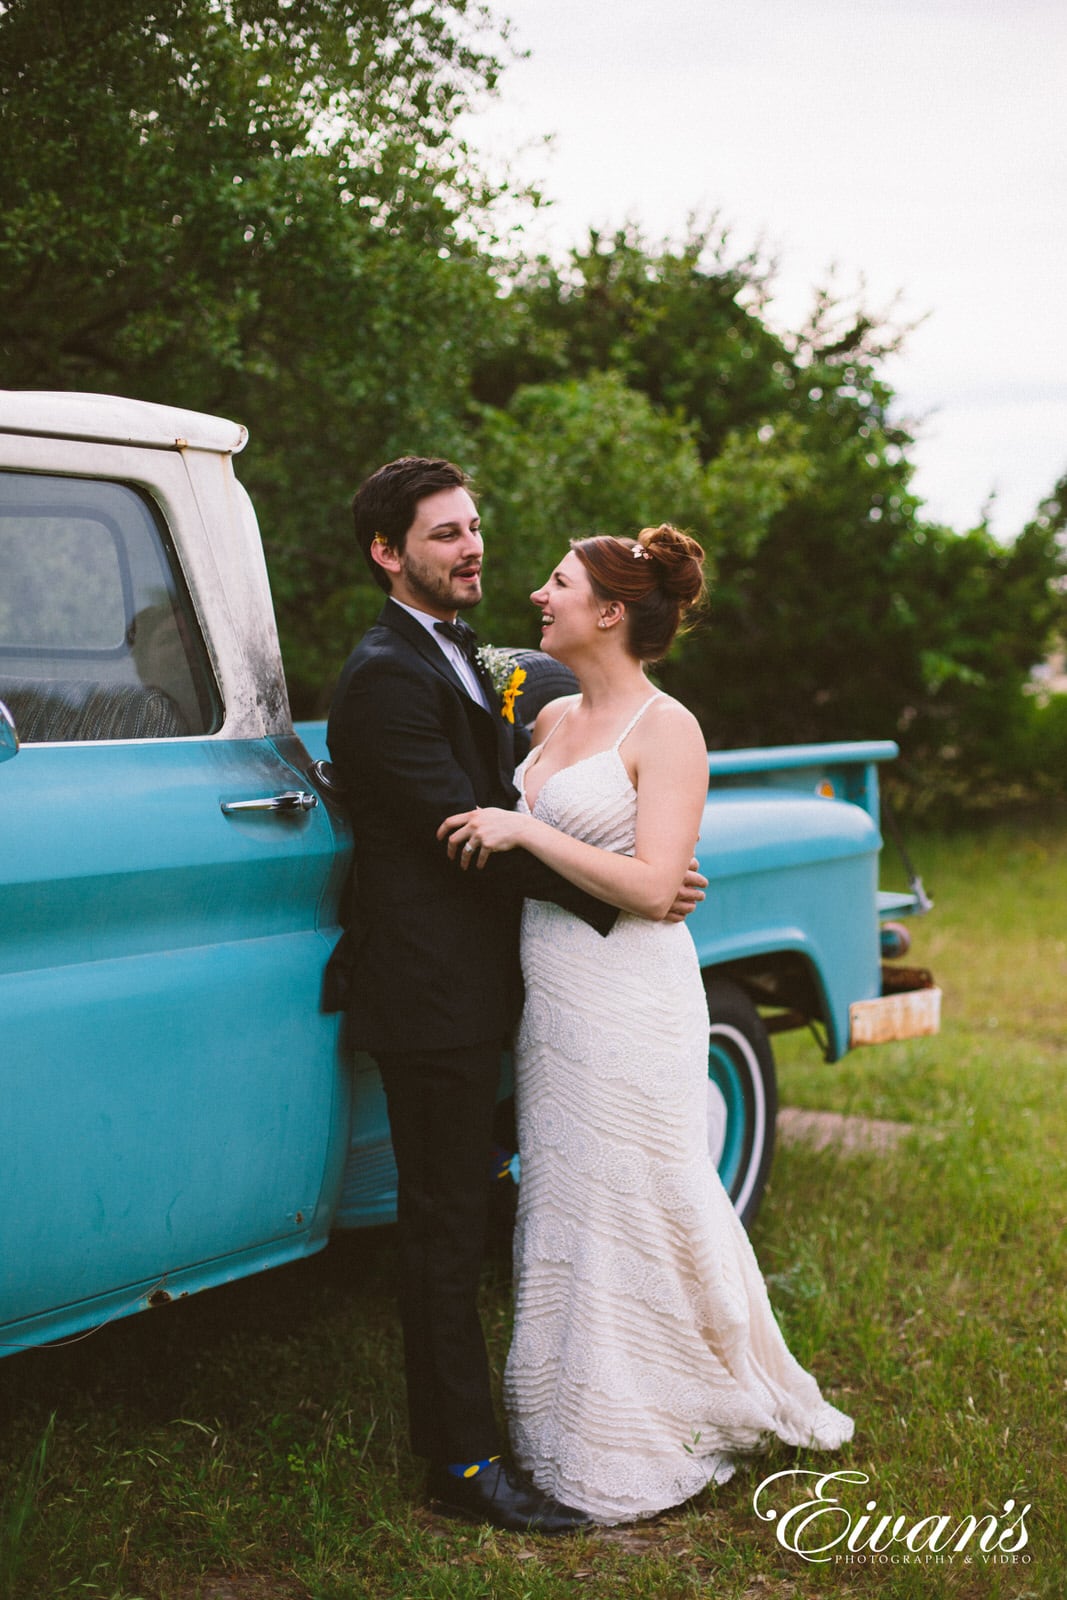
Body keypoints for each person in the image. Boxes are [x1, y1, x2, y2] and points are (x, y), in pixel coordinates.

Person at [439, 523, 855, 1525]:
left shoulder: (666, 729)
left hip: (631, 997)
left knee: (636, 1190)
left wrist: (525, 827)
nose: (538, 595)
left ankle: (662, 1415)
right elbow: (459, 664)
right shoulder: (543, 718)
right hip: (556, 999)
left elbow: (657, 884)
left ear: (611, 611)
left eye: (560, 582)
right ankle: (570, 1417)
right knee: (568, 1196)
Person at [325, 459, 705, 1535]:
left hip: (517, 991)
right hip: (434, 995)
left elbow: (533, 780)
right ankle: (458, 1463)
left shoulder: (467, 663)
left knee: (507, 1208)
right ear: (387, 554)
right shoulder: (385, 674)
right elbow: (464, 832)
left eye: (474, 528)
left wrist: (633, 867)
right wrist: (638, 891)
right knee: (443, 1226)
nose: (472, 549)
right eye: (443, 535)